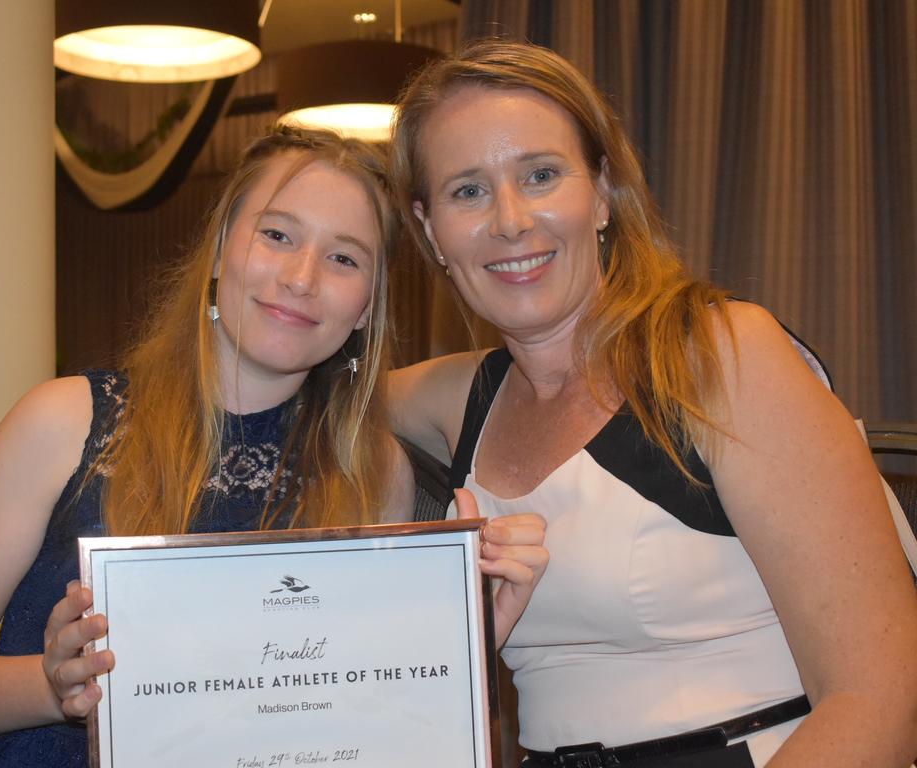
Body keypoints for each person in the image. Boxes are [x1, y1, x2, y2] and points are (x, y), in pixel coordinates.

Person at [0, 124, 548, 767]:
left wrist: (464, 642)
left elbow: (352, 718)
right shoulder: (66, 420)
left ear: (368, 306)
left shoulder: (372, 472)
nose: (300, 277)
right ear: (216, 252)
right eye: (277, 234)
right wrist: (48, 684)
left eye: (344, 258)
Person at [386, 40, 917, 768]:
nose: (509, 221)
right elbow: (316, 388)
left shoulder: (721, 356)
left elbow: (881, 696)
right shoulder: (459, 398)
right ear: (430, 232)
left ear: (602, 194)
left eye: (541, 175)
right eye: (467, 191)